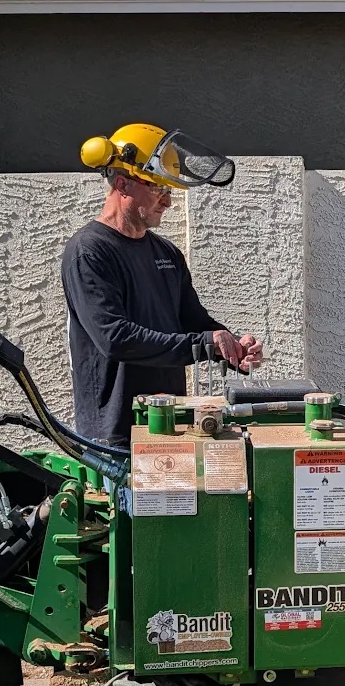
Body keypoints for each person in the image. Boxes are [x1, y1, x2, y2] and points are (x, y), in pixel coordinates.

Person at [62, 123, 265, 446]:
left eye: (169, 191)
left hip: (170, 423)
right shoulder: (89, 251)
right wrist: (203, 342)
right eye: (159, 189)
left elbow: (193, 322)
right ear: (123, 184)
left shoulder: (166, 253)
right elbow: (115, 338)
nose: (167, 202)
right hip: (115, 435)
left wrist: (232, 347)